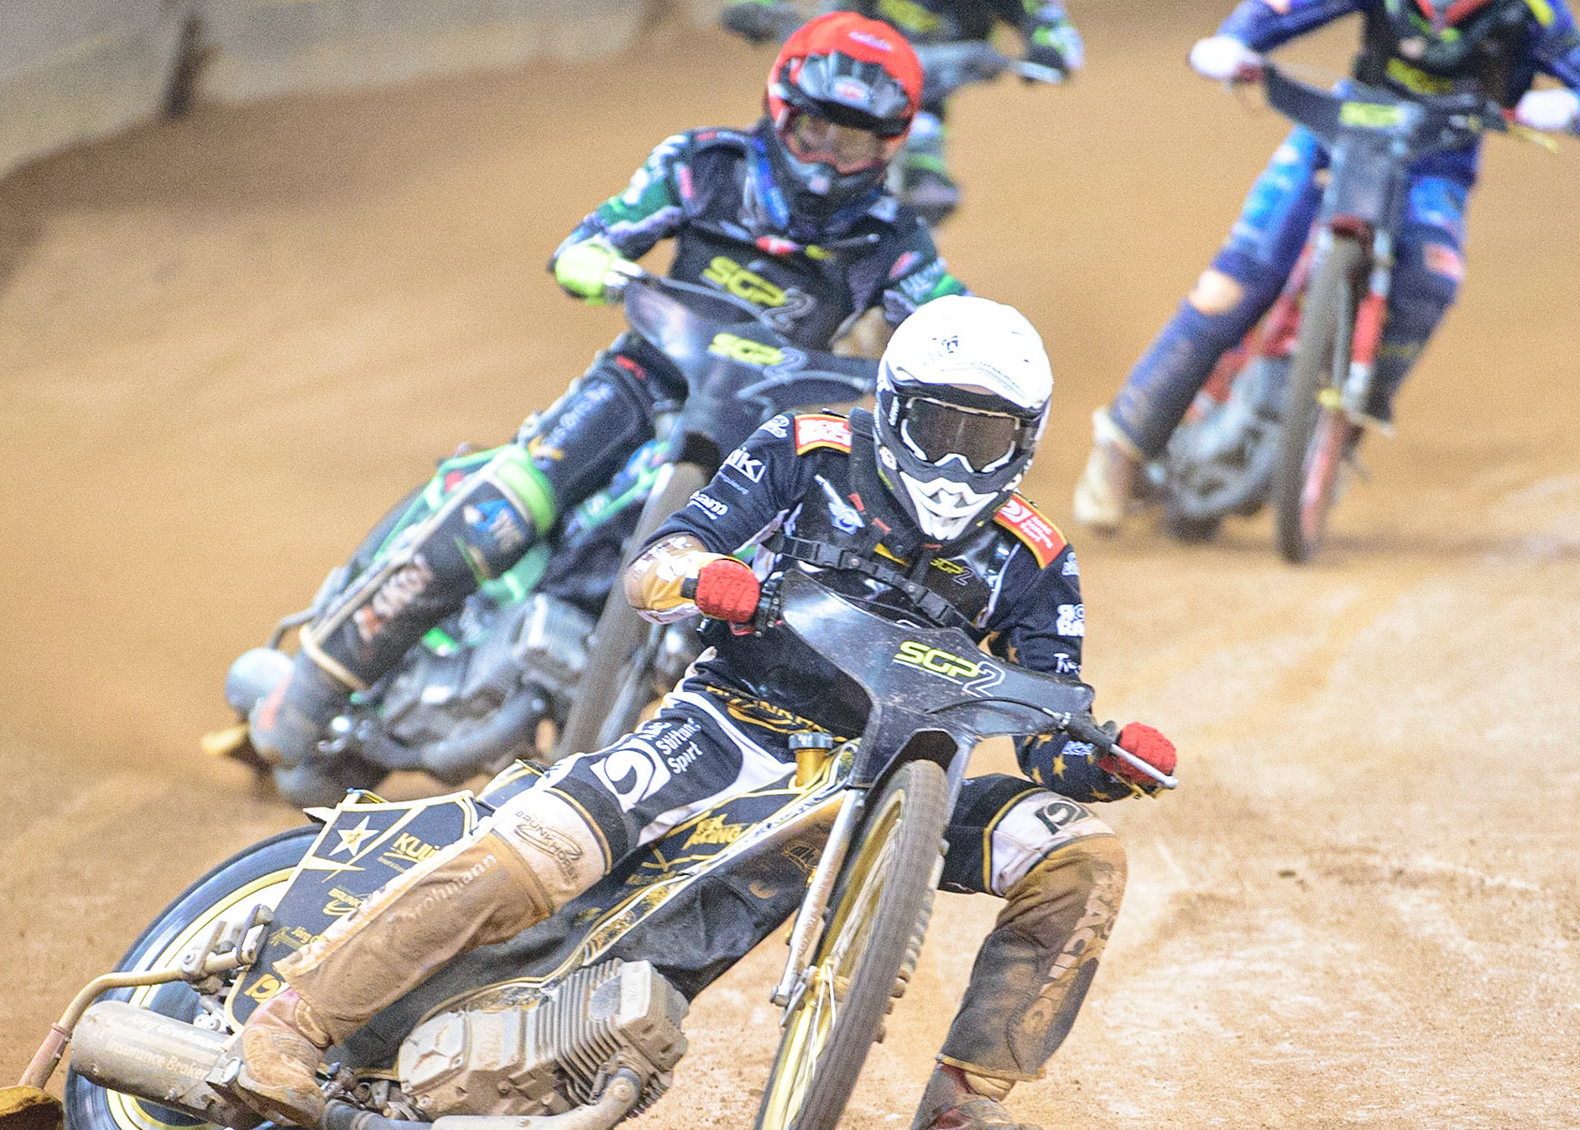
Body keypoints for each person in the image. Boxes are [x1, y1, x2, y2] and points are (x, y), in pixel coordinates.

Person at [226, 295, 1177, 1130]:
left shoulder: (1036, 557)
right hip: (729, 725)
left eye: (988, 439)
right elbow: (658, 562)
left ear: (1027, 441)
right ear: (892, 408)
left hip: (889, 784)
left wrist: (1103, 759)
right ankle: (292, 1023)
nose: (958, 463)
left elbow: (1048, 727)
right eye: (940, 428)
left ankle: (959, 1113)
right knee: (549, 844)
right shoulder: (806, 449)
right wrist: (704, 578)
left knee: (1079, 852)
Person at [247, 12, 971, 806]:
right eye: (817, 131)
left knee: (774, 599)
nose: (831, 158)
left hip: (757, 436)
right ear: (779, 110)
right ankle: (306, 694)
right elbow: (595, 239)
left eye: (856, 141)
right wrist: (602, 265)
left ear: (894, 144)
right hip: (643, 379)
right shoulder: (702, 164)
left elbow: (945, 324)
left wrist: (961, 360)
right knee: (506, 509)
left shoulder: (894, 240)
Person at [1073, 0, 1580, 532]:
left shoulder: (1534, 14)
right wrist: (1235, 41)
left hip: (1437, 166)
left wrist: (1566, 107)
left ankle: (1347, 422)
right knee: (1232, 285)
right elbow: (1282, 8)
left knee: (1432, 278)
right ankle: (1120, 451)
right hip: (1338, 137)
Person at [722, 0, 1085, 222]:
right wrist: (761, 8)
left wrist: (1049, 47)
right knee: (781, 135)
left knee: (928, 192)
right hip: (837, 78)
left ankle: (907, 273)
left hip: (925, 90)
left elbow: (1051, 23)